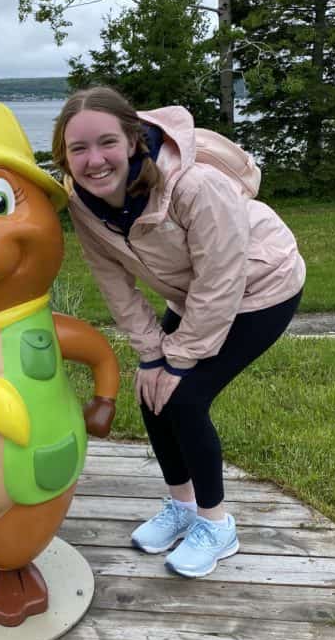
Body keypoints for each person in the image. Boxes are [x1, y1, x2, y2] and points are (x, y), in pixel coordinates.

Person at [52, 86, 305, 578]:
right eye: (77, 149)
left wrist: (182, 357)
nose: (94, 160)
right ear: (64, 155)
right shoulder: (82, 202)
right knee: (151, 390)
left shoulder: (194, 185)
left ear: (132, 141)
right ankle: (183, 506)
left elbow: (222, 275)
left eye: (106, 142)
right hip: (196, 295)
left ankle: (216, 525)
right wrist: (151, 353)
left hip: (261, 285)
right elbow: (113, 281)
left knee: (184, 397)